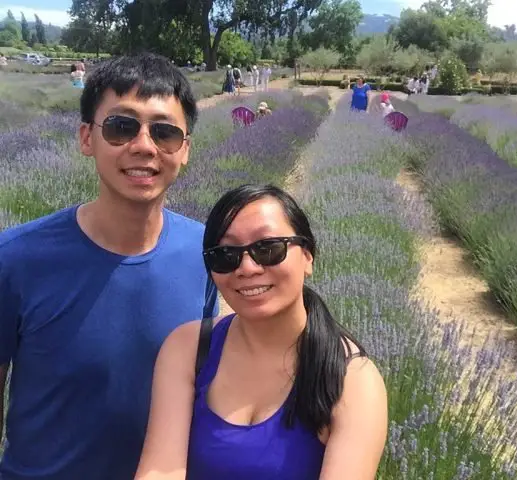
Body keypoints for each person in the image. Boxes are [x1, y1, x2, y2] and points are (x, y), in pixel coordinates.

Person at [0, 52, 219, 480]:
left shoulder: (211, 254)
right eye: (121, 127)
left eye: (165, 132)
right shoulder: (16, 258)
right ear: (87, 138)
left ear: (185, 150)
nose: (144, 145)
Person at [134, 184, 388, 480]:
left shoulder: (351, 380)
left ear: (307, 256)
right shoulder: (188, 348)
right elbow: (160, 471)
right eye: (226, 255)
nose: (247, 267)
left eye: (268, 248)